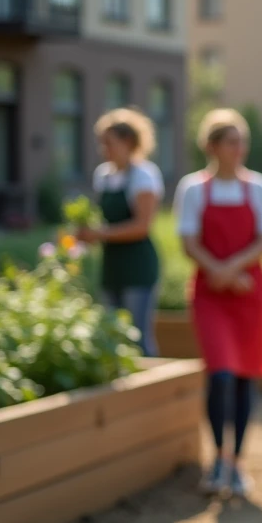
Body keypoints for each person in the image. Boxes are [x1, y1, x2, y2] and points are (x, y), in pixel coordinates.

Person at [174, 108, 262, 499]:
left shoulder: (258, 187)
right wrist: (217, 272)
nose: (240, 149)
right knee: (219, 374)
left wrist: (232, 269)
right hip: (210, 296)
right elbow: (188, 241)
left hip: (250, 295)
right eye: (232, 141)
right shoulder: (192, 189)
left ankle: (237, 462)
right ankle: (218, 457)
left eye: (242, 141)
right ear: (212, 146)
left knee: (245, 377)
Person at [78, 108, 164, 357]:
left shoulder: (143, 175)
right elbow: (102, 219)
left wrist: (99, 234)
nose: (103, 148)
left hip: (137, 266)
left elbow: (141, 226)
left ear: (127, 142)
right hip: (112, 265)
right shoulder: (104, 175)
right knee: (113, 336)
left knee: (139, 337)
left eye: (109, 142)